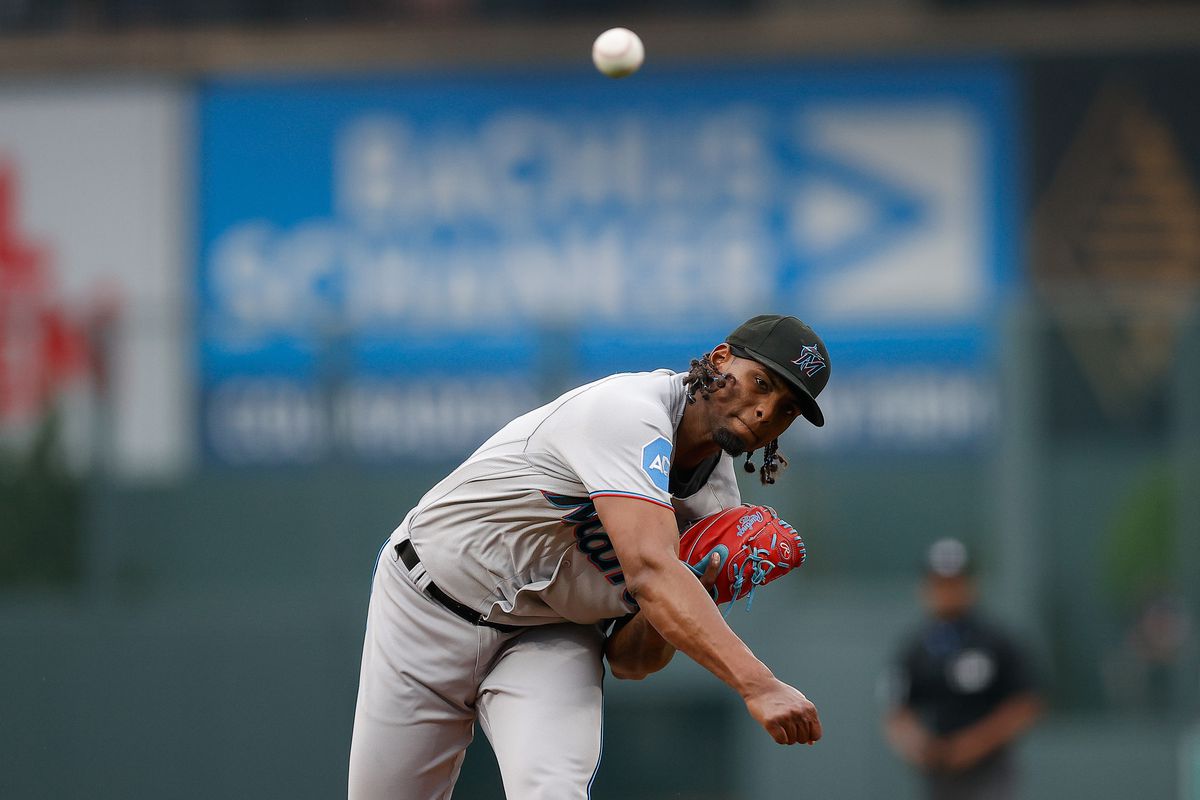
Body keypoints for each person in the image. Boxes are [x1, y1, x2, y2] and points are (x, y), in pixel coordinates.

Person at [348, 314, 832, 799]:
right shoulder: (627, 410)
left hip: (550, 632)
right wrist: (759, 684)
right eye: (761, 382)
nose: (767, 410)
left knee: (554, 791)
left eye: (787, 408)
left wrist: (688, 592)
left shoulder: (717, 512)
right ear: (720, 359)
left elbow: (631, 661)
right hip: (428, 604)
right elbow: (649, 572)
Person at [883, 538, 1043, 800]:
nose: (947, 591)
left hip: (989, 770)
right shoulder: (915, 648)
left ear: (970, 584)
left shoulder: (996, 641)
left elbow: (1027, 703)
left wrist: (974, 743)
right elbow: (896, 713)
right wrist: (918, 745)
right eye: (939, 583)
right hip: (939, 771)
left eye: (954, 582)